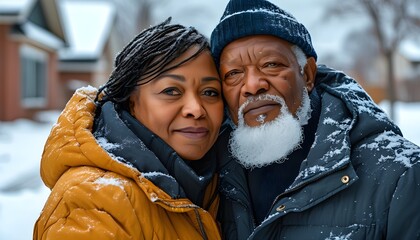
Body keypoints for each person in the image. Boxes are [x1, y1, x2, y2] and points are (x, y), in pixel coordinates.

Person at [210, 0, 420, 239]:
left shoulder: (400, 174)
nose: (252, 85)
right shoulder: (211, 179)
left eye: (270, 65)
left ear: (308, 74)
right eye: (233, 74)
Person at [33, 18, 224, 240]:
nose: (196, 109)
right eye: (171, 91)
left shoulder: (215, 186)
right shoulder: (95, 200)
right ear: (131, 101)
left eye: (210, 92)